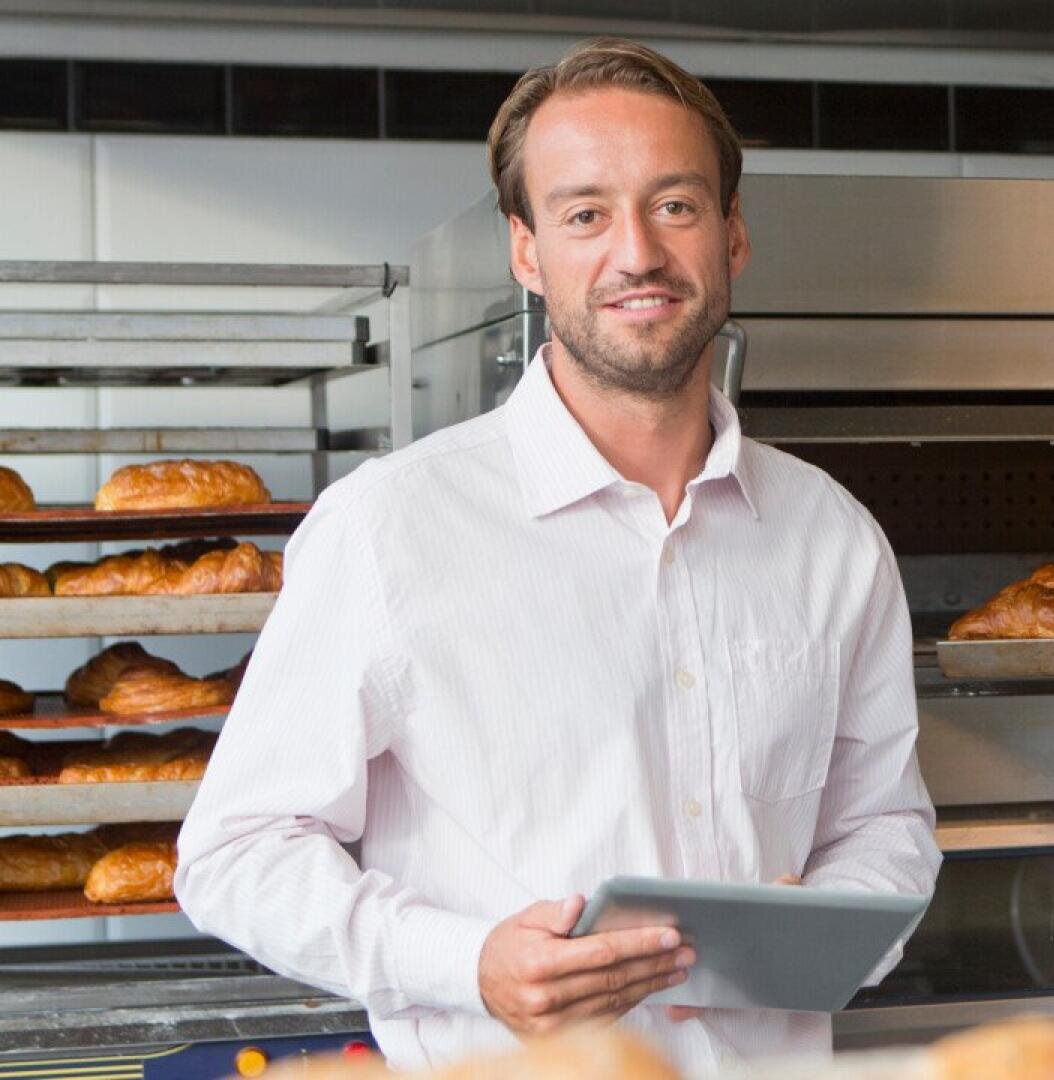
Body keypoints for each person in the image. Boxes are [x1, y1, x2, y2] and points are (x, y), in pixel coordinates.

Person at [176, 37, 940, 1072]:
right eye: (586, 213)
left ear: (733, 237)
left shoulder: (834, 539)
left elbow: (885, 826)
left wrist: (821, 932)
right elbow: (236, 853)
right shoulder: (389, 530)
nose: (637, 252)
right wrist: (466, 962)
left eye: (676, 205)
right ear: (527, 252)